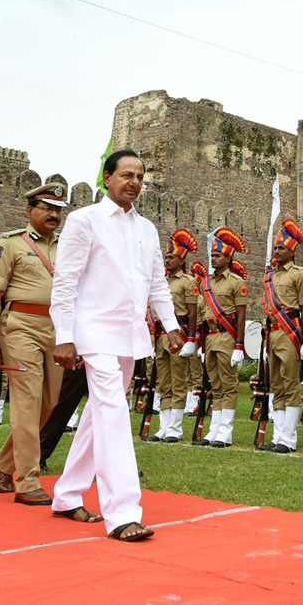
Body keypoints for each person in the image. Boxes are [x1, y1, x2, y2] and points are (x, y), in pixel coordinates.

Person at [49, 149, 183, 541]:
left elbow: (157, 282)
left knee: (98, 416)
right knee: (113, 413)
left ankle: (66, 493)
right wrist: (65, 336)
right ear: (106, 178)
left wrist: (171, 325)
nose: (134, 183)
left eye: (140, 177)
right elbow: (66, 283)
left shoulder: (146, 229)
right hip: (93, 333)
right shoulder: (83, 221)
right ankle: (123, 512)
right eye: (126, 174)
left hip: (130, 335)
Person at [0, 184, 66, 506]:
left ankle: (3, 464)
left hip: (57, 329)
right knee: (28, 401)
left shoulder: (68, 246)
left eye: (58, 210)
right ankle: (27, 480)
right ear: (30, 210)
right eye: (47, 208)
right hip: (20, 327)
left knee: (49, 402)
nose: (54, 215)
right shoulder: (11, 244)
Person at [259, 219, 303, 454]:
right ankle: (277, 435)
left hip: (290, 333)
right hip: (273, 334)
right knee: (276, 385)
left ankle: (289, 438)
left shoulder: (300, 274)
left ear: (292, 251)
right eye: (276, 248)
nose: (277, 251)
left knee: (290, 384)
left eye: (281, 248)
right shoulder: (270, 276)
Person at [196, 227, 249, 448]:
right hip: (210, 337)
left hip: (227, 336)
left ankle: (225, 431)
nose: (213, 259)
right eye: (212, 256)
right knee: (215, 385)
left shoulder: (237, 282)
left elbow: (241, 316)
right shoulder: (206, 283)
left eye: (217, 256)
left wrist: (239, 345)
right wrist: (200, 341)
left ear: (228, 258)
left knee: (228, 384)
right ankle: (214, 429)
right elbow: (201, 312)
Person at [150, 229, 200, 443]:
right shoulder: (162, 280)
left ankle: (175, 427)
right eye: (166, 257)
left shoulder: (188, 282)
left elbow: (192, 313)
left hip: (177, 337)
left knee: (179, 381)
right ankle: (163, 426)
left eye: (171, 257)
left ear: (182, 260)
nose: (167, 260)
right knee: (163, 382)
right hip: (161, 336)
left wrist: (190, 339)